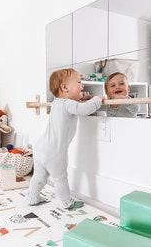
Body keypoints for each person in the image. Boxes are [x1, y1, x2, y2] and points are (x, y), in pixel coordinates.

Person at [28, 68, 105, 209]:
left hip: (40, 148)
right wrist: (97, 99)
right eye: (79, 82)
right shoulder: (69, 104)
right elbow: (84, 110)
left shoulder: (57, 103)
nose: (82, 86)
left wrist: (81, 99)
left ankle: (32, 197)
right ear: (64, 87)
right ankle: (67, 202)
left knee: (39, 176)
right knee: (60, 178)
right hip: (55, 152)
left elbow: (76, 106)